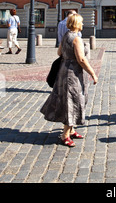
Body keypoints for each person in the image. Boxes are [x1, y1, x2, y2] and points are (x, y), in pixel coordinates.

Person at [40, 13, 98, 147]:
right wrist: (93, 73)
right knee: (72, 100)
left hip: (63, 70)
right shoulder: (76, 39)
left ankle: (71, 130)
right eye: (81, 22)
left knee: (68, 98)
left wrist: (67, 54)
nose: (83, 24)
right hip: (74, 73)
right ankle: (65, 135)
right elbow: (81, 59)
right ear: (77, 24)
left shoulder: (66, 35)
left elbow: (59, 53)